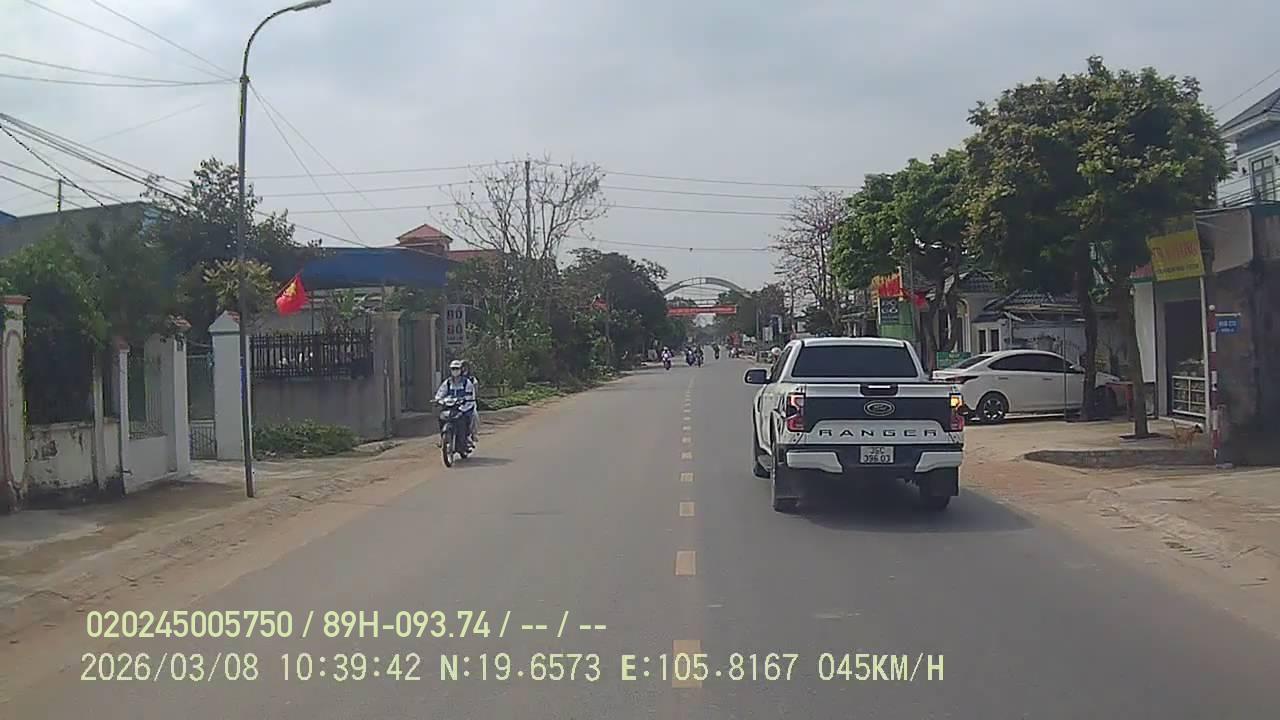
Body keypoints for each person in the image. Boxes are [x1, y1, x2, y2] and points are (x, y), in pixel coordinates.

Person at [435, 360, 476, 449]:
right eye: (453, 369)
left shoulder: (466, 382)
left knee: (466, 419)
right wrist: (438, 400)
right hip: (450, 407)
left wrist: (464, 401)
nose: (455, 371)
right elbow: (440, 393)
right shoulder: (447, 382)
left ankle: (467, 438)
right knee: (441, 417)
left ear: (461, 370)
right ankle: (442, 437)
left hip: (463, 407)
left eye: (457, 369)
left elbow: (470, 395)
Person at [460, 359, 479, 445]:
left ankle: (473, 434)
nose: (463, 369)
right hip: (456, 402)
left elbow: (476, 390)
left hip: (469, 402)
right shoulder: (453, 379)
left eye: (465, 366)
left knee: (474, 416)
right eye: (462, 367)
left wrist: (473, 398)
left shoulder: (472, 379)